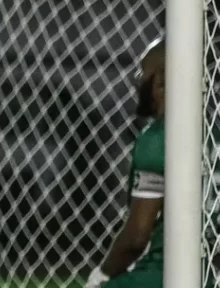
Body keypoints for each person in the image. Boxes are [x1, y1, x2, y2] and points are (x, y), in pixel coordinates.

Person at [86, 38, 166, 288]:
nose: (136, 79)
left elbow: (136, 238)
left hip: (159, 277)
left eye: (143, 71)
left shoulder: (158, 139)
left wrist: (101, 276)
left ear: (161, 80)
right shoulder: (214, 134)